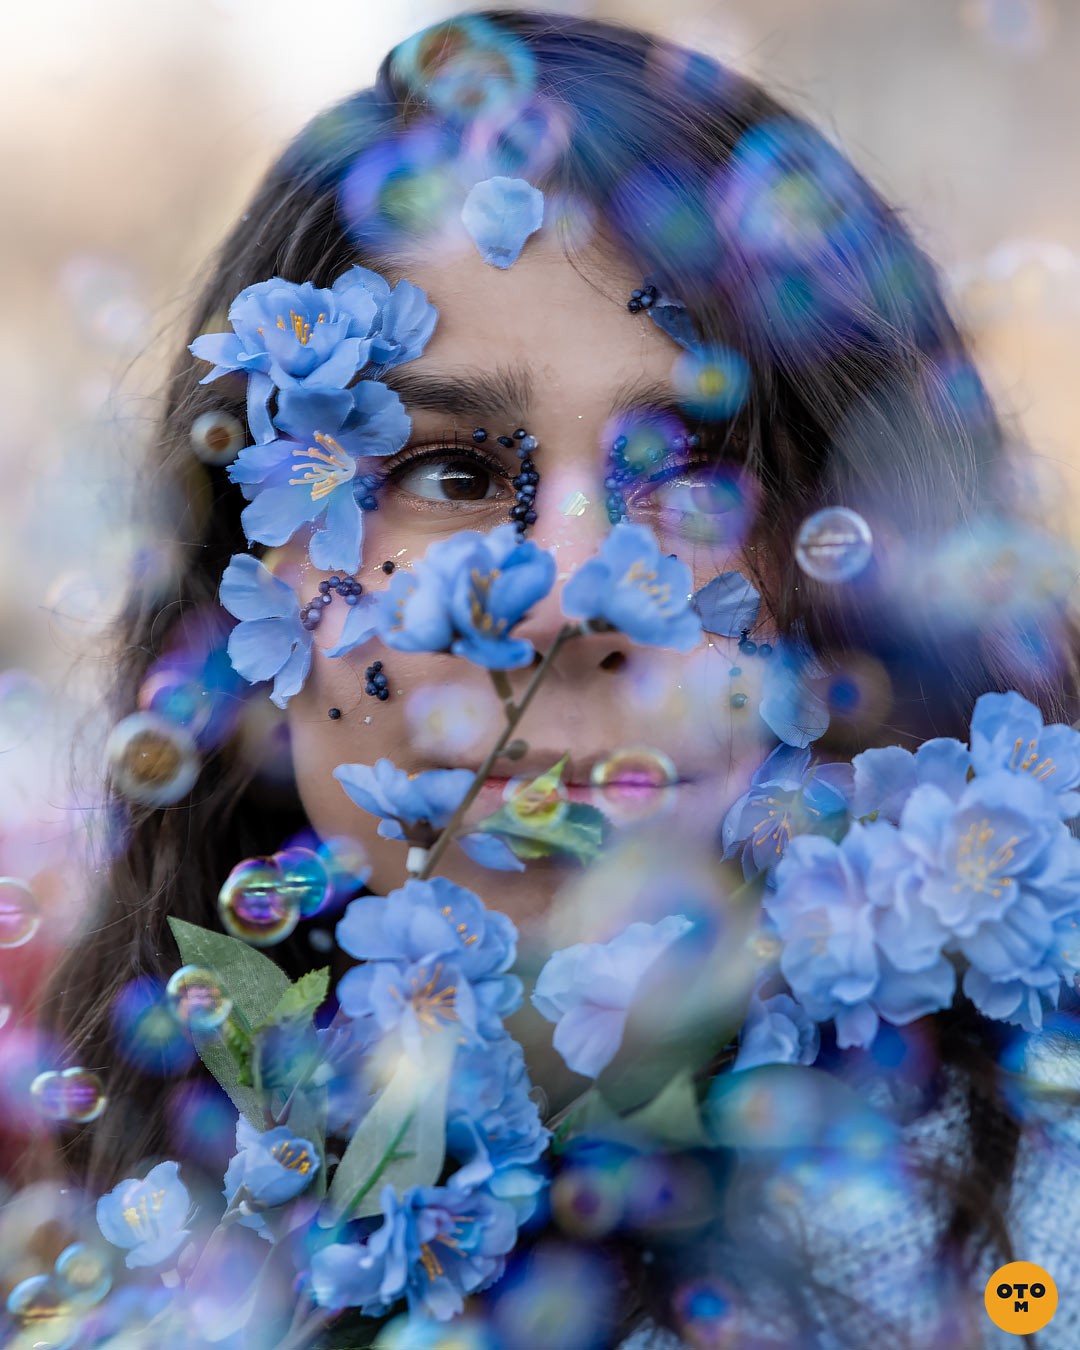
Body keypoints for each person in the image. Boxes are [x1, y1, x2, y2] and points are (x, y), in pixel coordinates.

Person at [31, 8, 1080, 1347]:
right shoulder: (159, 1242)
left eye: (693, 470)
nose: (565, 600)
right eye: (451, 470)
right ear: (240, 577)